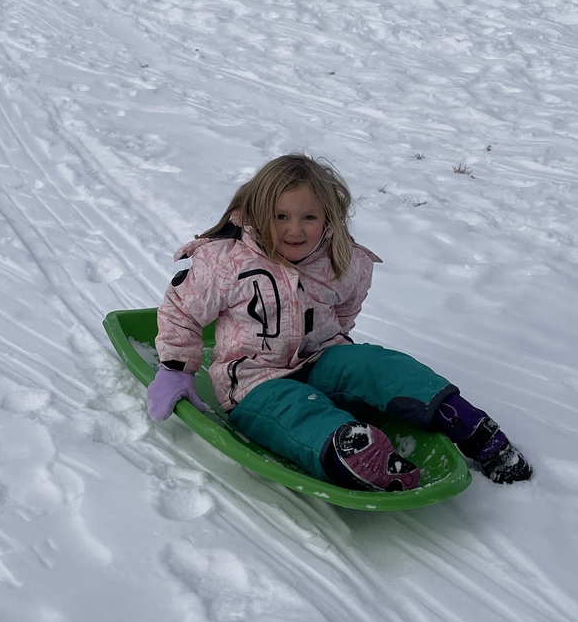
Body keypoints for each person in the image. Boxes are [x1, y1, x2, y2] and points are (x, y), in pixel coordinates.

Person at [147, 153, 532, 492]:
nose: (295, 230)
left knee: (376, 363)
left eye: (308, 217)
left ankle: (463, 420)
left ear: (328, 217)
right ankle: (349, 451)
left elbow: (346, 309)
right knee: (295, 409)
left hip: (321, 359)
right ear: (257, 214)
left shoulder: (341, 259)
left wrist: (340, 354)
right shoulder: (226, 262)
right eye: (280, 217)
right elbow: (182, 309)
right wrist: (176, 369)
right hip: (254, 381)